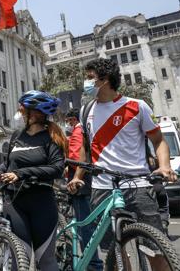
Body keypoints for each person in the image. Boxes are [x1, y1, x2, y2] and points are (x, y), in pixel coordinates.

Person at [68, 58, 177, 253]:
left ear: (105, 80)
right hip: (101, 188)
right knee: (113, 251)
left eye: (90, 77)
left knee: (155, 248)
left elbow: (158, 140)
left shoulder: (137, 106)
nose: (87, 82)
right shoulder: (86, 111)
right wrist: (77, 177)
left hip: (139, 186)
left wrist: (165, 166)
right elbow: (85, 149)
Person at [0, 90, 65, 271]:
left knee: (46, 261)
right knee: (17, 261)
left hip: (42, 202)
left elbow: (57, 169)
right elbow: (8, 165)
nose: (20, 111)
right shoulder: (16, 136)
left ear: (36, 112)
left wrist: (22, 173)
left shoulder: (52, 136)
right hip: (15, 202)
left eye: (23, 108)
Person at [64, 109, 103, 271]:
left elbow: (75, 156)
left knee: (83, 225)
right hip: (88, 181)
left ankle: (92, 263)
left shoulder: (78, 131)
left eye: (68, 121)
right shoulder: (85, 130)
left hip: (79, 181)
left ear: (73, 120)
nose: (68, 125)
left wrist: (65, 164)